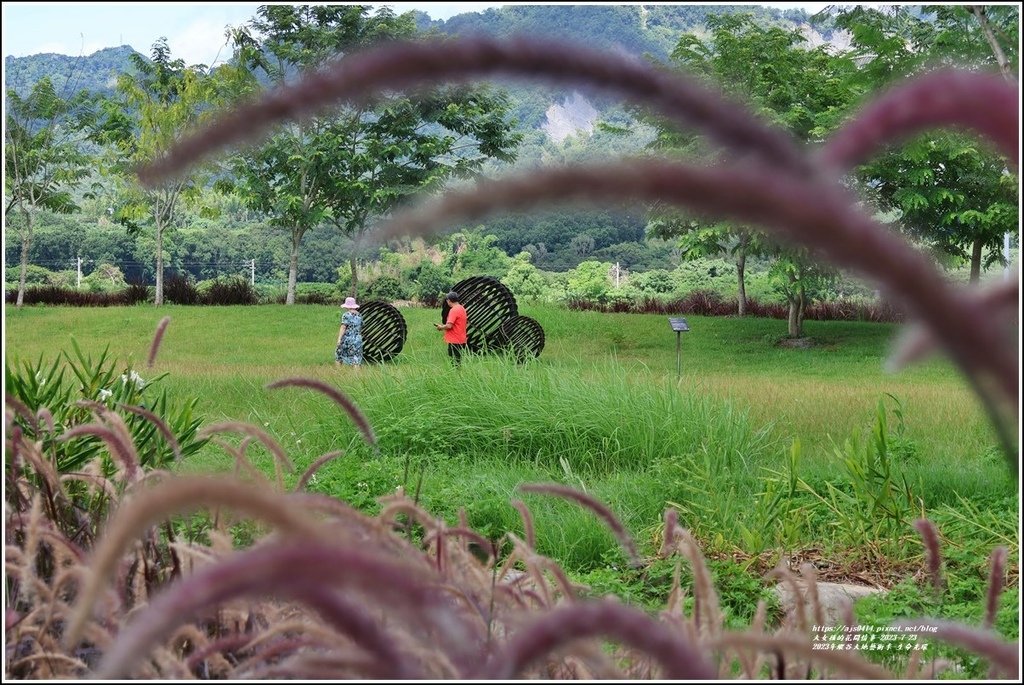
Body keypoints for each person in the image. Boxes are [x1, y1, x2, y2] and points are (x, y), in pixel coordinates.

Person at [435, 290, 468, 366]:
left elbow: (449, 326)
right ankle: (458, 374)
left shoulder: (454, 310)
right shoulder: (462, 308)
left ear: (449, 301)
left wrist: (441, 327)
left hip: (454, 340)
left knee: (454, 361)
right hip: (461, 339)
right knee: (458, 359)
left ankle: (456, 375)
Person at [335, 296, 363, 366]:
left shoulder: (346, 315)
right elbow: (361, 326)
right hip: (357, 338)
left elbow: (343, 327)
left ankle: (338, 372)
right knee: (356, 357)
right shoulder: (359, 315)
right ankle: (357, 375)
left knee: (339, 354)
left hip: (347, 338)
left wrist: (339, 339)